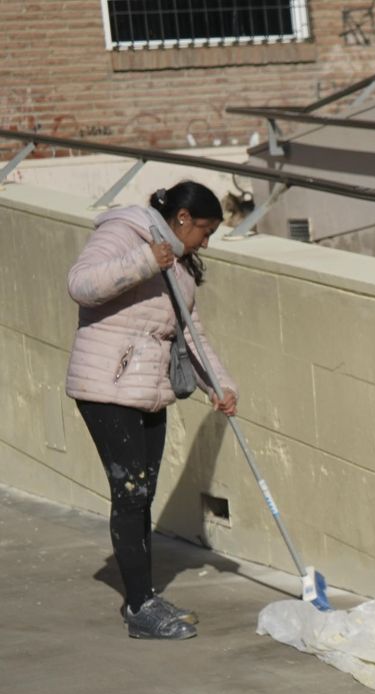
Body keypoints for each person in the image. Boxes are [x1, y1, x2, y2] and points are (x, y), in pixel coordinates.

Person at [66, 181, 239, 640]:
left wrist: (219, 387)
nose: (206, 241)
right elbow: (80, 285)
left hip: (150, 388)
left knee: (142, 494)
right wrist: (146, 261)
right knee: (130, 493)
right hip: (106, 386)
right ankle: (139, 606)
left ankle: (144, 596)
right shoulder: (126, 232)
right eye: (204, 230)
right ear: (182, 218)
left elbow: (191, 330)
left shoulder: (177, 263)